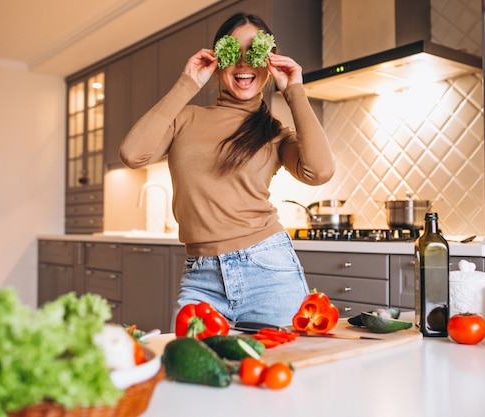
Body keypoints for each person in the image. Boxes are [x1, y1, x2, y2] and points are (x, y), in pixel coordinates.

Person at [119, 13, 334, 326]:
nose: (245, 64)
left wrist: (294, 90)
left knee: (286, 371)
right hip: (200, 277)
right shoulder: (186, 119)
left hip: (268, 269)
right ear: (218, 60)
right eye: (234, 52)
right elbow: (132, 153)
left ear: (270, 61)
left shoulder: (274, 131)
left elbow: (320, 171)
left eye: (255, 52)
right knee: (193, 372)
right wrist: (187, 83)